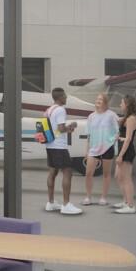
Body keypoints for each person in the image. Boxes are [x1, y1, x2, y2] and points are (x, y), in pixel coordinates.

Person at [43, 87, 83, 215]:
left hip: (49, 145)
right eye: (65, 95)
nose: (66, 97)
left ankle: (51, 203)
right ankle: (66, 205)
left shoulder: (48, 110)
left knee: (52, 172)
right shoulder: (60, 110)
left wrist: (67, 128)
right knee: (68, 173)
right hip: (59, 146)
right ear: (60, 97)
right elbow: (60, 128)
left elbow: (55, 127)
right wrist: (72, 126)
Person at [82, 93, 117, 206]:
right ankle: (88, 197)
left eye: (101, 99)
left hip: (107, 147)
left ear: (105, 102)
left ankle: (103, 197)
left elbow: (120, 127)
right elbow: (89, 134)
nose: (98, 101)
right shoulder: (91, 116)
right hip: (93, 148)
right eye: (97, 99)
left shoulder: (111, 115)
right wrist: (87, 150)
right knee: (88, 173)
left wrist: (114, 138)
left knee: (106, 173)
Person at [113, 95, 136, 214]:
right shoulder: (127, 117)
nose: (120, 104)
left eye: (122, 103)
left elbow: (129, 138)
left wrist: (120, 156)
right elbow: (124, 134)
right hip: (122, 148)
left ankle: (130, 205)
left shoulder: (131, 119)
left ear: (127, 104)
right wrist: (118, 136)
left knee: (126, 178)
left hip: (127, 151)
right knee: (118, 177)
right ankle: (125, 201)